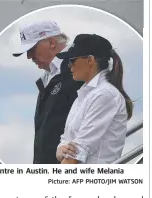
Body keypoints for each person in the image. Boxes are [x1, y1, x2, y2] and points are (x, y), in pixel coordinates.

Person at [56, 34, 133, 164]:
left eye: (72, 60)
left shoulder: (104, 95)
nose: (69, 65)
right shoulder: (85, 95)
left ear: (90, 60)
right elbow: (66, 140)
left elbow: (76, 153)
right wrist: (60, 150)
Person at [12, 21, 83, 164]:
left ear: (51, 43)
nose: (28, 56)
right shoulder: (48, 77)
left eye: (31, 49)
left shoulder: (76, 68)